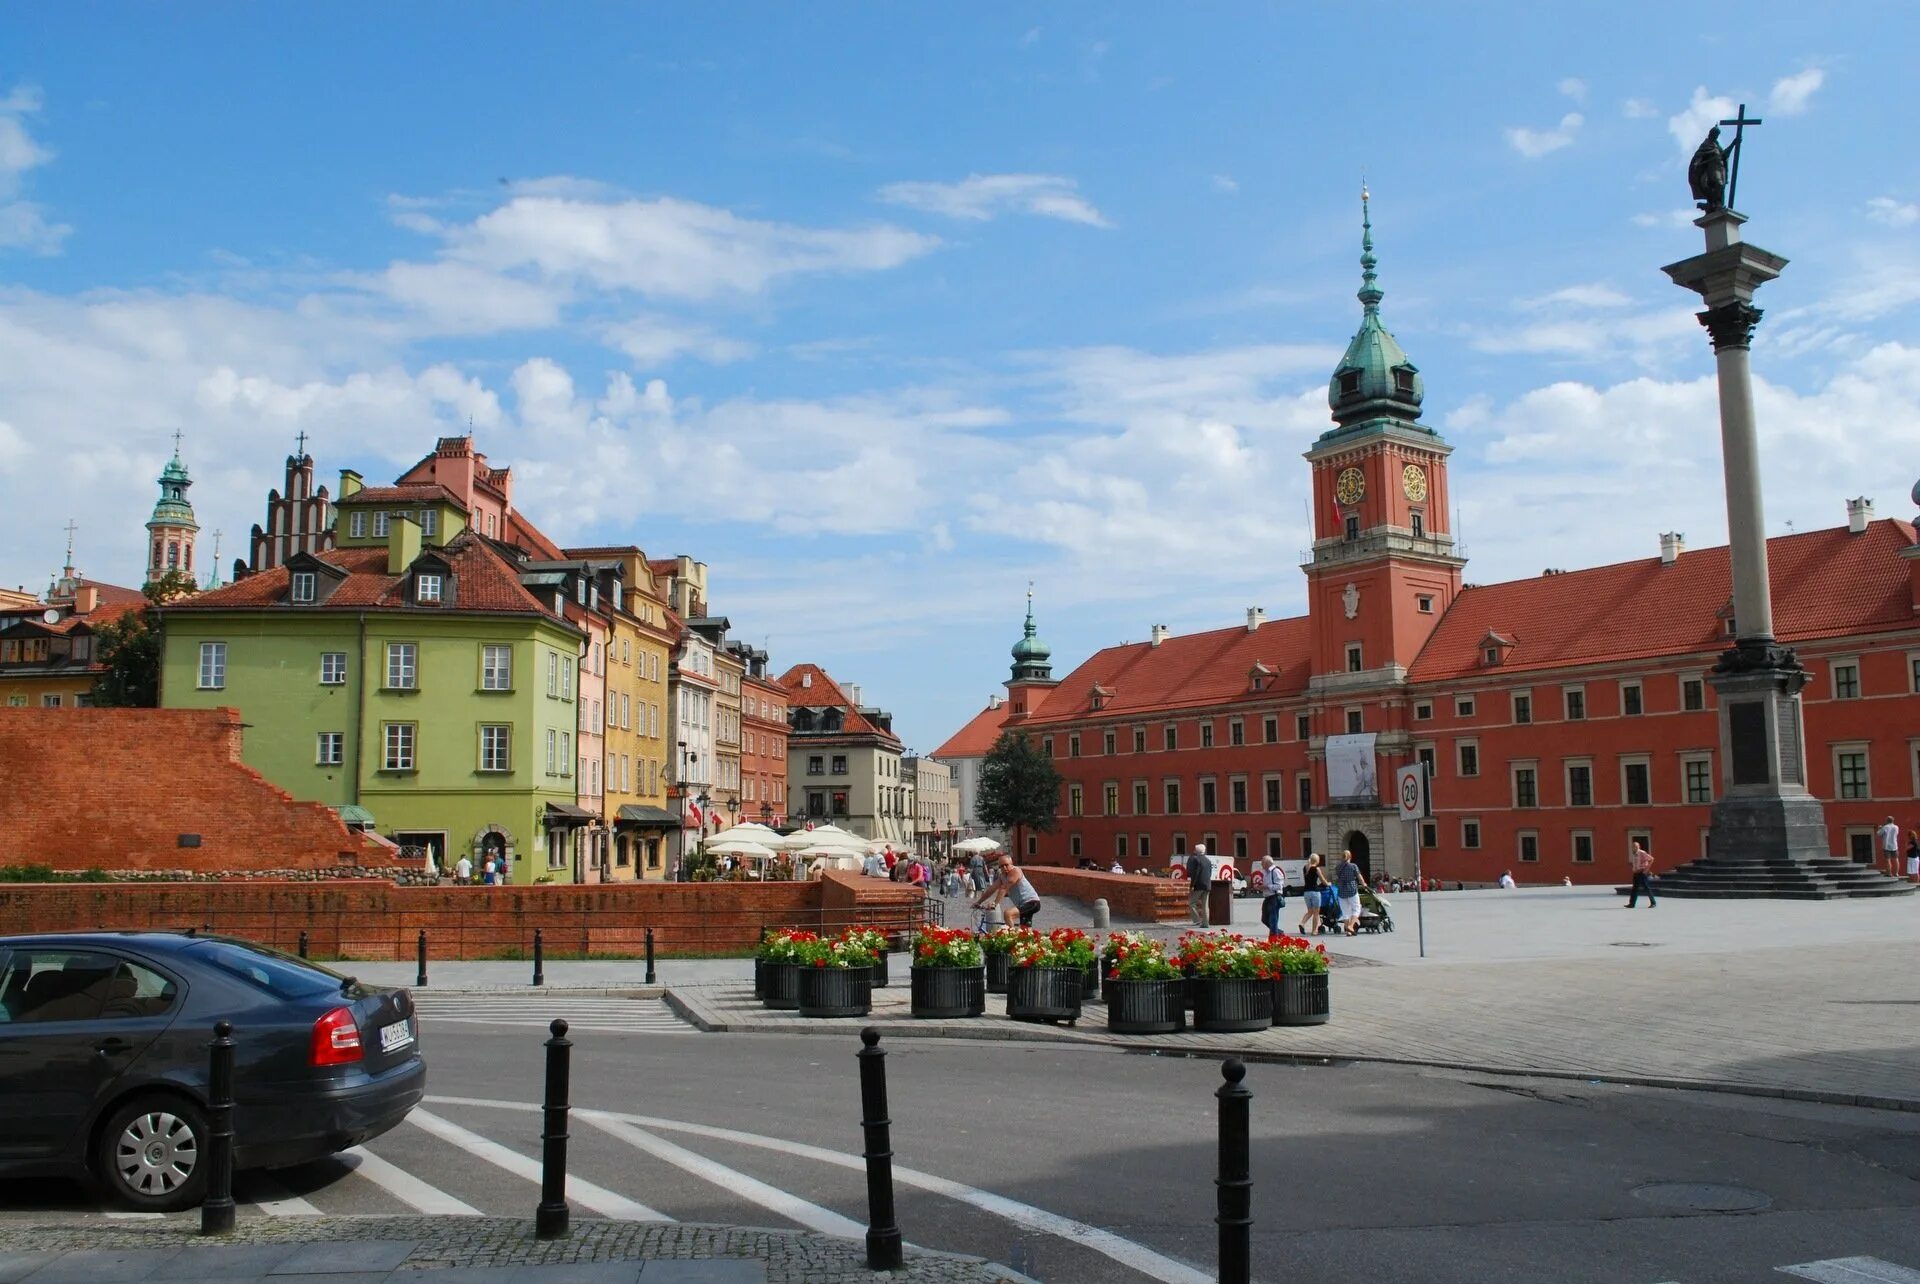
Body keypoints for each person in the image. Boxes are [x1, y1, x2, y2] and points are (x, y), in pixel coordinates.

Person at [973, 855, 1042, 928]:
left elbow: (1004, 888)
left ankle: (1010, 936)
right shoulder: (1002, 876)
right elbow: (991, 889)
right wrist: (978, 902)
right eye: (1001, 866)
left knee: (1008, 914)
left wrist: (994, 904)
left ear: (1011, 863)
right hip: (1022, 905)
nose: (1004, 868)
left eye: (1006, 865)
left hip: (1032, 902)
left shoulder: (1015, 871)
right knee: (1025, 929)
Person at [1332, 850, 1367, 937]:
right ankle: (1351, 927)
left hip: (1341, 890)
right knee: (1356, 908)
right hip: (1351, 889)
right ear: (1350, 857)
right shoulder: (1353, 866)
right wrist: (1364, 884)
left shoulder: (1338, 867)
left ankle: (1348, 930)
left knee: (1345, 911)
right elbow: (1359, 877)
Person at [1254, 851, 1286, 939]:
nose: (1261, 865)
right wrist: (1260, 886)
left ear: (1267, 863)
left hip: (1274, 897)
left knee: (1273, 919)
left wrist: (1267, 886)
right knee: (1264, 919)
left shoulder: (1276, 871)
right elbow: (1264, 883)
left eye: (1262, 863)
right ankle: (1279, 932)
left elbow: (1279, 886)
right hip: (1267, 897)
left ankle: (1273, 939)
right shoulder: (1265, 872)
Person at [1297, 854, 1327, 935]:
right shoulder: (1316, 869)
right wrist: (1328, 884)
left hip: (1306, 892)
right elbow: (1323, 880)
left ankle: (1302, 923)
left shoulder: (1305, 868)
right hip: (1315, 892)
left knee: (1310, 911)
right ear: (1316, 860)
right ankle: (1314, 931)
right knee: (1316, 913)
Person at [1185, 845, 1212, 927]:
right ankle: (1206, 923)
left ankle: (1196, 920)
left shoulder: (1196, 859)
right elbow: (1210, 873)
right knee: (1205, 905)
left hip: (1199, 885)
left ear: (1196, 851)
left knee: (1191, 903)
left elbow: (1195, 874)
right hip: (1207, 885)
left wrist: (1192, 885)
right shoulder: (1208, 860)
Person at [1626, 840, 1656, 908]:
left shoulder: (1642, 853)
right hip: (1636, 873)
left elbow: (1651, 859)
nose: (1634, 847)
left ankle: (1653, 903)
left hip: (1641, 873)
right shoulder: (1634, 854)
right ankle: (1632, 904)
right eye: (1633, 846)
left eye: (1636, 846)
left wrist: (1646, 869)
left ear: (1639, 847)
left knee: (1646, 888)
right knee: (1634, 889)